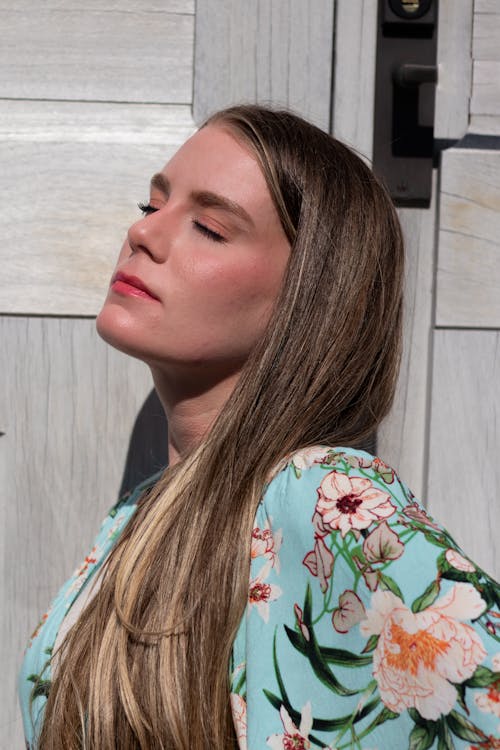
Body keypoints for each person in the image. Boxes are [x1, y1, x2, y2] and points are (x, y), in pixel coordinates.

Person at [19, 105, 500, 750]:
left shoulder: (322, 492)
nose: (144, 235)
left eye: (210, 228)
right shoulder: (136, 516)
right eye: (150, 203)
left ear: (309, 296)